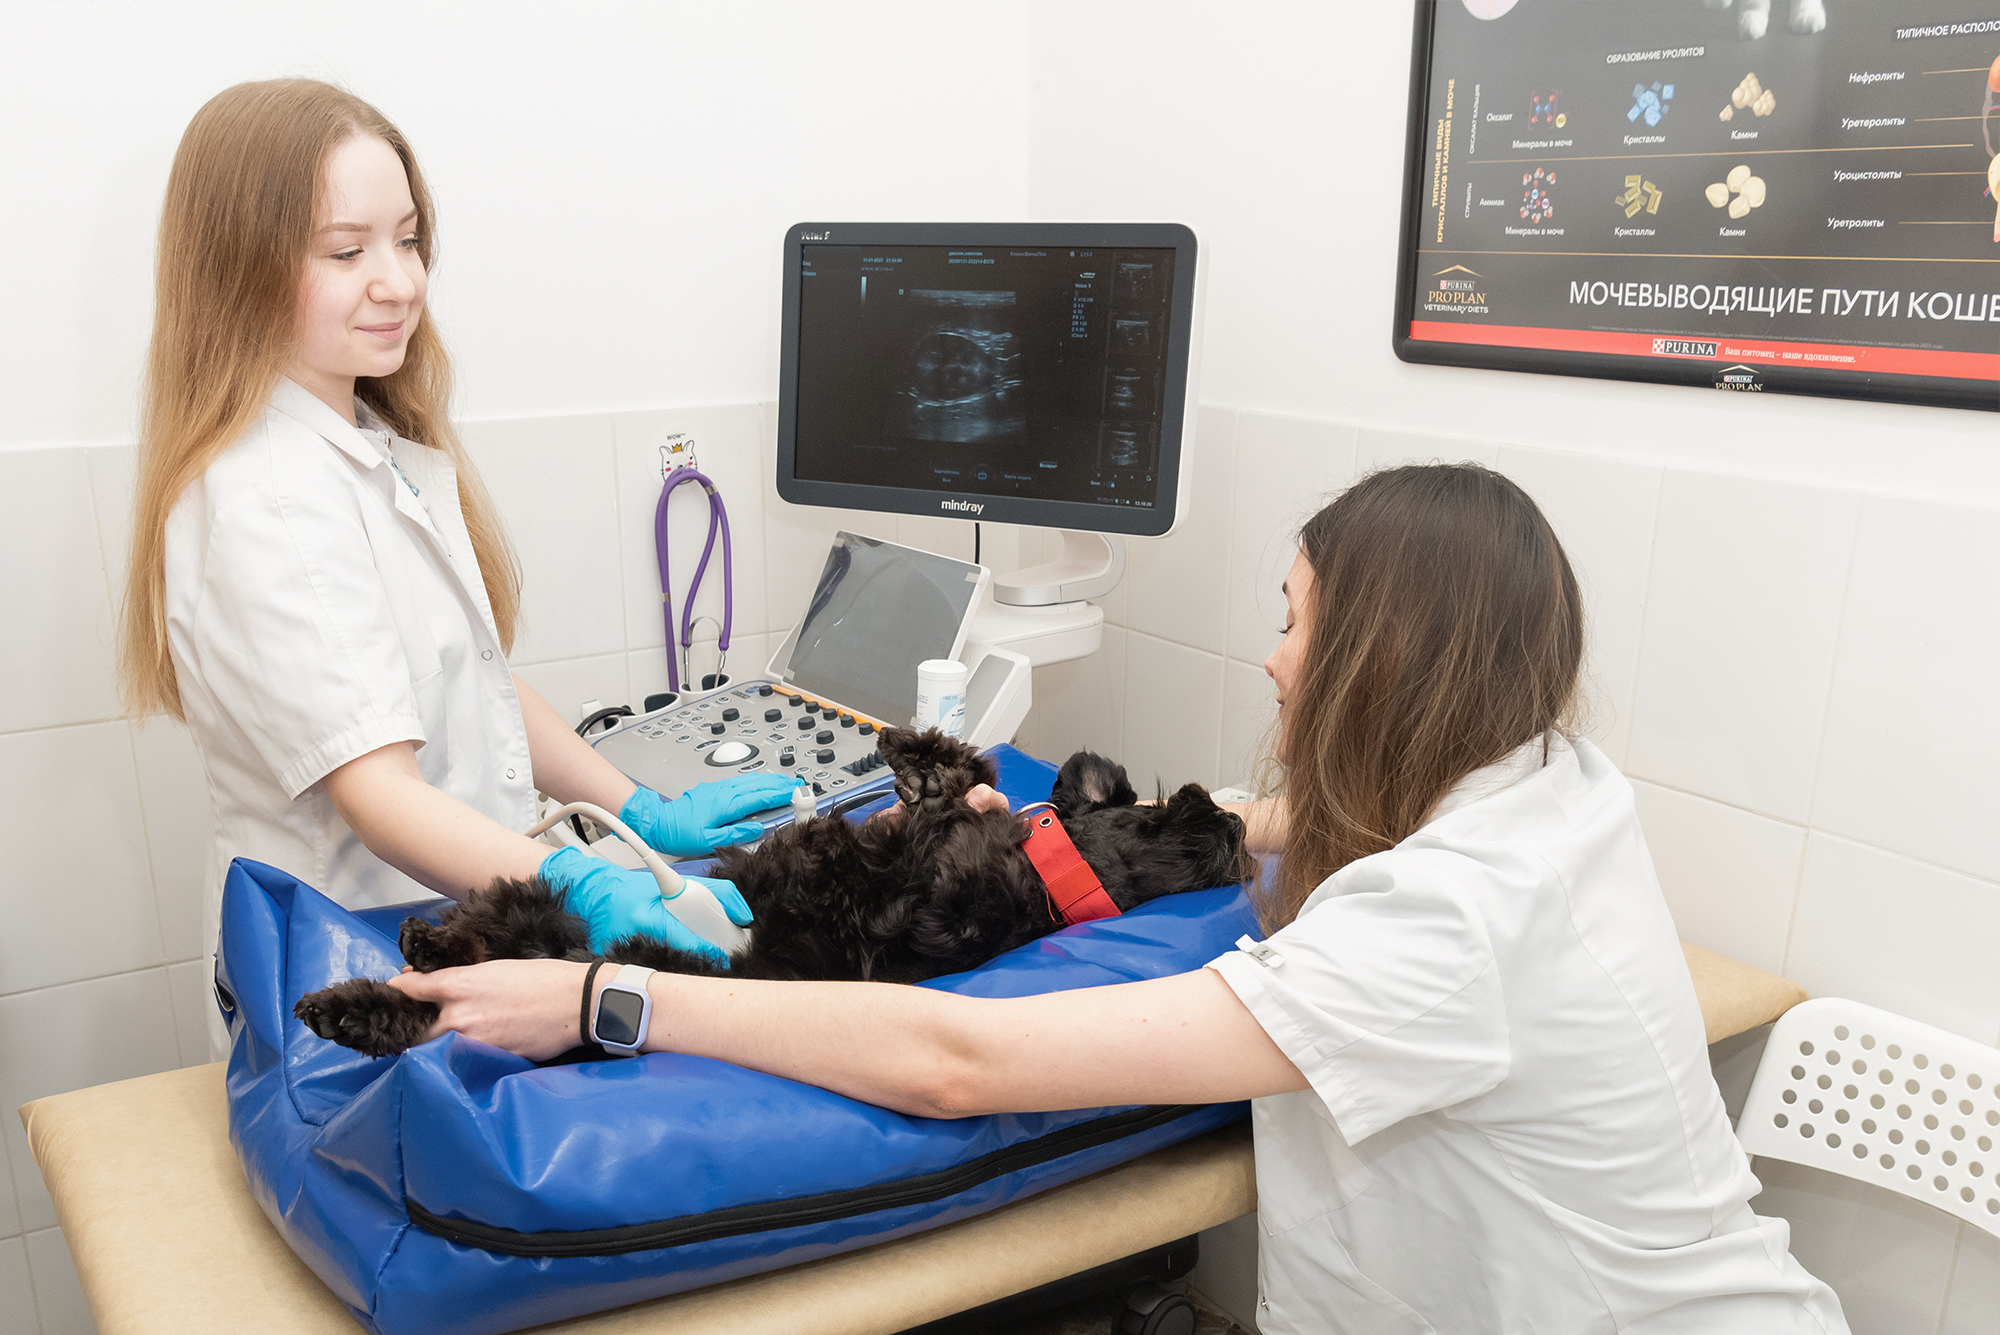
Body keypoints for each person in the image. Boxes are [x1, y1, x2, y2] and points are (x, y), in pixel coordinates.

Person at [391, 467, 1849, 1331]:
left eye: (1293, 623)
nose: (1272, 658)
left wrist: (611, 997)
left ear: (1383, 667)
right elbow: (1311, 817)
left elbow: (958, 1061)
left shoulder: (1443, 930)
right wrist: (1066, 833)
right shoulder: (1551, 782)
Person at [116, 79, 793, 1059]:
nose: (399, 281)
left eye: (408, 239)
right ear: (238, 268)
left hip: (448, 935)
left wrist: (639, 810)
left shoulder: (364, 444)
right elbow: (381, 797)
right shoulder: (268, 498)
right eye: (346, 251)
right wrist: (578, 880)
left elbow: (471, 680)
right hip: (360, 970)